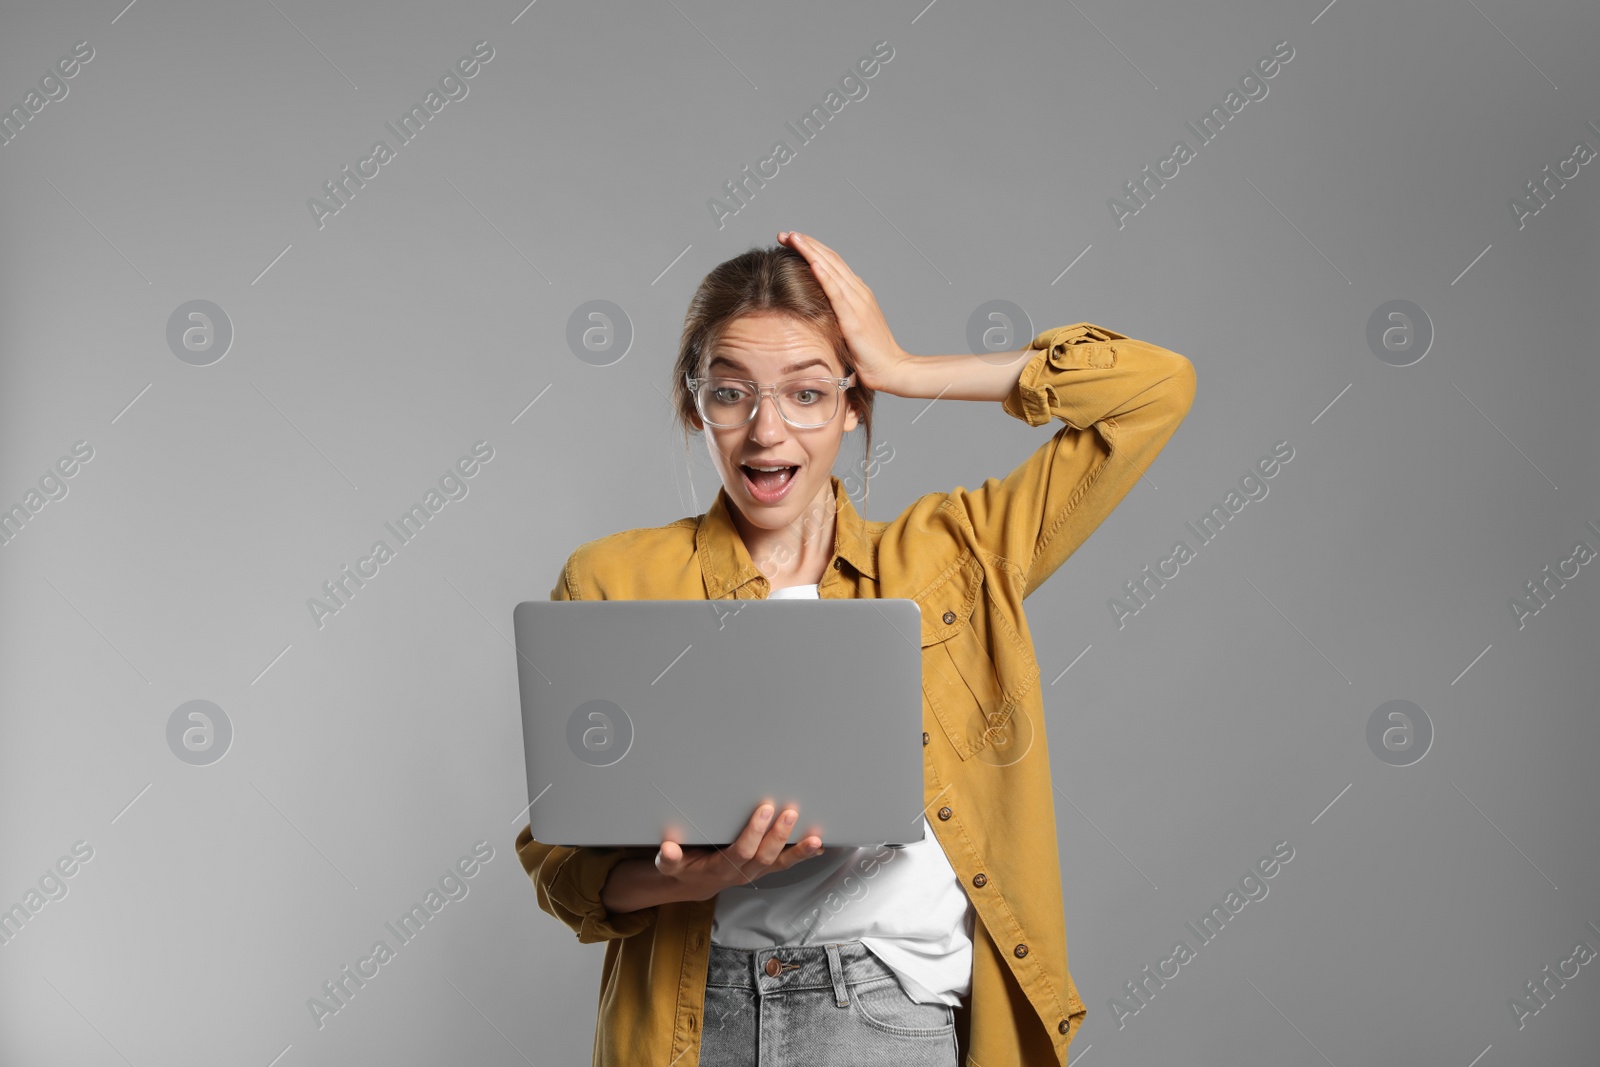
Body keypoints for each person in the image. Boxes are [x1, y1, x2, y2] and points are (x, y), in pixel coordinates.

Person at [515, 231, 1196, 1066]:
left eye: (807, 393)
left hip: (884, 1017)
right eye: (732, 393)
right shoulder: (614, 577)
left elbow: (1153, 387)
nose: (767, 431)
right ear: (697, 406)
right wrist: (694, 878)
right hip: (694, 1025)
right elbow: (560, 867)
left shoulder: (953, 556)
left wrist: (905, 367)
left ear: (853, 404)